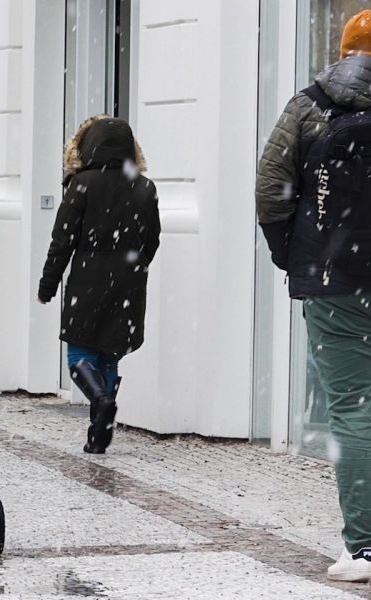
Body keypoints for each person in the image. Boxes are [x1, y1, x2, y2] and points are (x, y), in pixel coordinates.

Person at [256, 9, 371, 582]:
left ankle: (366, 547)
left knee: (352, 405)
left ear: (343, 49)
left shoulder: (309, 106)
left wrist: (296, 254)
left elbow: (270, 190)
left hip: (337, 282)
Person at [37, 115, 160, 455]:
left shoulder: (83, 183)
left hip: (88, 276)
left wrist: (47, 285)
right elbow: (153, 239)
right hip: (130, 280)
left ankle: (101, 402)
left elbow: (62, 241)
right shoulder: (145, 186)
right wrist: (135, 265)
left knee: (79, 353)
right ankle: (98, 433)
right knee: (109, 354)